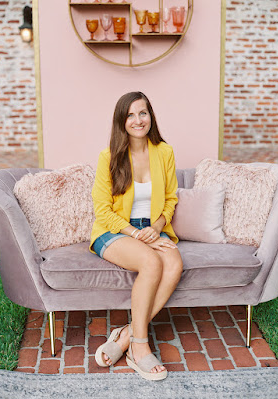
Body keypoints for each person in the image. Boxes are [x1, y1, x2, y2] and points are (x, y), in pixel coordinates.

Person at [89, 91, 183, 381]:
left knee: (175, 263)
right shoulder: (109, 156)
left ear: (151, 116)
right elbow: (102, 209)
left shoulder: (164, 152)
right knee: (152, 263)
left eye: (142, 113)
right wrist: (133, 232)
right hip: (114, 230)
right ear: (121, 120)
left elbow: (171, 197)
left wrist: (156, 227)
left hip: (149, 228)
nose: (137, 120)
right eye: (130, 115)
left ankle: (126, 335)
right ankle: (139, 348)